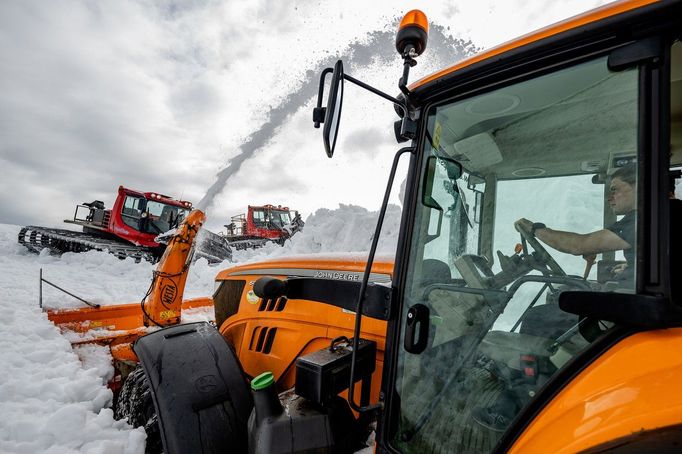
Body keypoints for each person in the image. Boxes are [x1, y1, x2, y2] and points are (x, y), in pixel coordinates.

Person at [516, 164, 637, 281]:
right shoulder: (641, 221)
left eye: (615, 190)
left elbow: (577, 245)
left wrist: (534, 229)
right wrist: (632, 267)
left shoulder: (635, 224)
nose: (609, 198)